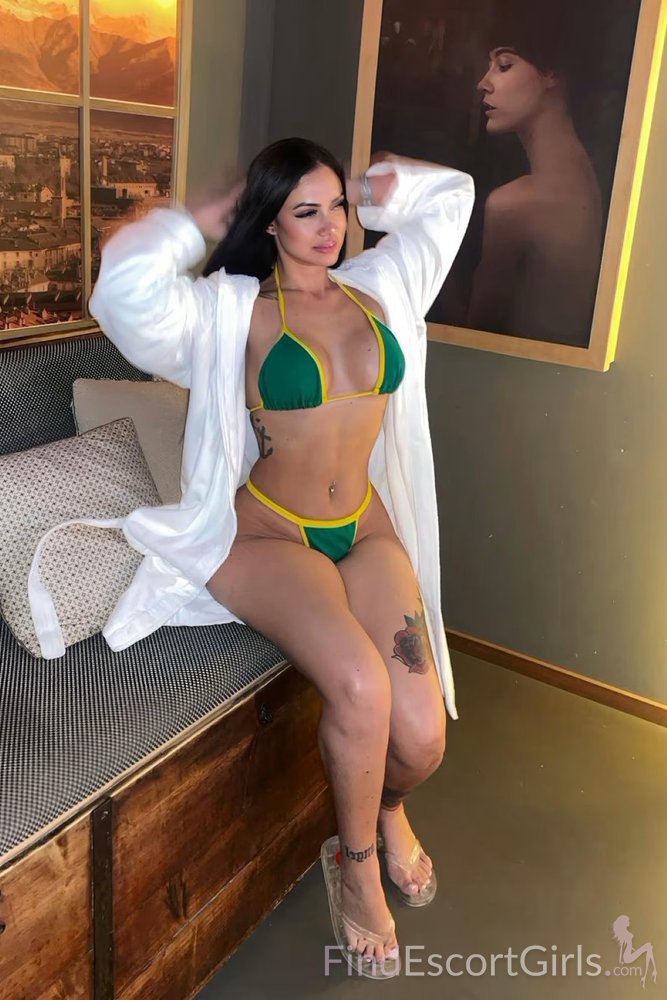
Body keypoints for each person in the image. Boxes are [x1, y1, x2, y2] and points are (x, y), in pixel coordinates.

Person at [89, 137, 474, 977]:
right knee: (362, 687)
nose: (330, 226)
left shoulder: (382, 286)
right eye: (306, 211)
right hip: (270, 531)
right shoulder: (232, 313)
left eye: (336, 207)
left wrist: (382, 190)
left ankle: (388, 807)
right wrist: (190, 225)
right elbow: (120, 297)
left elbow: (452, 201)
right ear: (268, 222)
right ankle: (355, 863)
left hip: (364, 527)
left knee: (421, 739)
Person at [469, 5, 602, 346]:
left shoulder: (515, 205)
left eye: (504, 65)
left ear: (551, 74)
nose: (483, 83)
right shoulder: (590, 174)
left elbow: (472, 334)